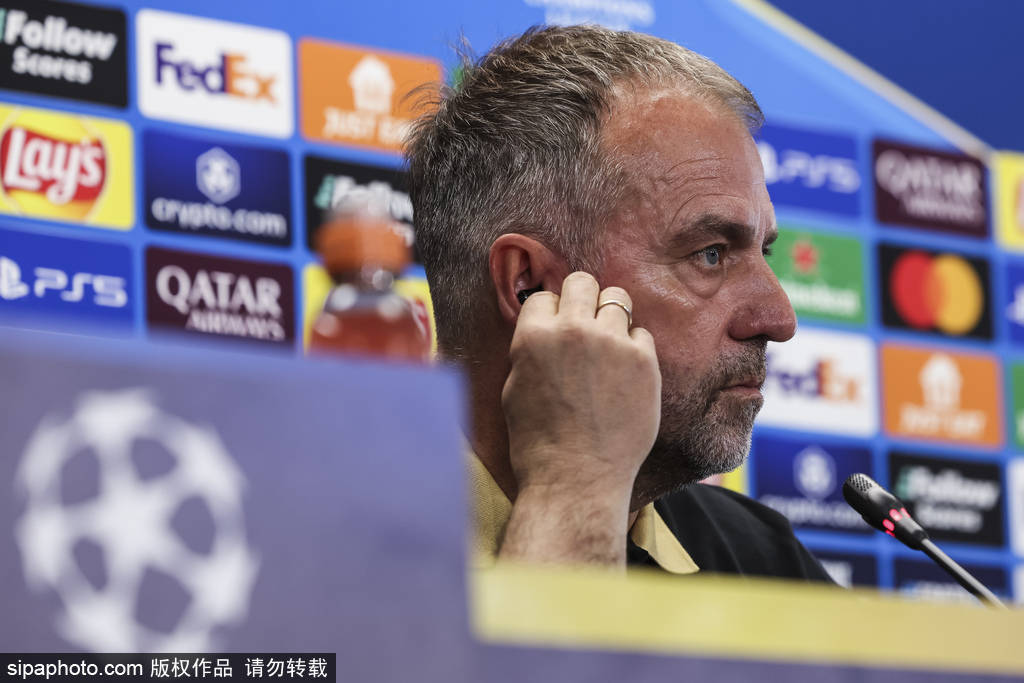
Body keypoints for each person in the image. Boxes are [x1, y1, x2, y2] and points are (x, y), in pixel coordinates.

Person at [405, 25, 833, 581]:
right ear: (531, 288)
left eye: (764, 251)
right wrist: (576, 481)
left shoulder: (763, 561)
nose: (778, 319)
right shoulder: (318, 526)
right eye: (710, 254)